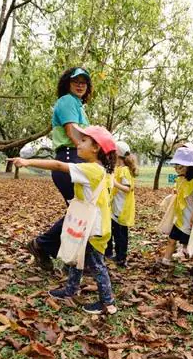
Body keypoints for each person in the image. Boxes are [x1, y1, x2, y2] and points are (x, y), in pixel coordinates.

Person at [12, 125, 118, 315]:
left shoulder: (91, 170)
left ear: (96, 148)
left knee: (97, 265)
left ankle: (107, 303)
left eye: (84, 141)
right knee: (78, 258)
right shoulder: (104, 170)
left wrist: (27, 162)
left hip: (93, 228)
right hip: (91, 223)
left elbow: (59, 166)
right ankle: (70, 289)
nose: (78, 143)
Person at [27, 67, 92, 272]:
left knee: (80, 211)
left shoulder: (78, 104)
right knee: (81, 211)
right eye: (76, 81)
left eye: (84, 82)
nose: (81, 85)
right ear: (67, 83)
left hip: (76, 158)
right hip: (69, 157)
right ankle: (44, 246)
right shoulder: (66, 101)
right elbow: (73, 133)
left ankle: (65, 256)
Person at [159, 147, 193, 267]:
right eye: (175, 166)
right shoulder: (180, 180)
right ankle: (165, 261)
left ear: (190, 167)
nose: (177, 169)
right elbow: (177, 196)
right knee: (171, 240)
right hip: (179, 219)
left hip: (189, 221)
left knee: (191, 246)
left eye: (180, 167)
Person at [105, 141, 137, 268]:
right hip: (115, 206)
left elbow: (127, 188)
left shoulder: (124, 170)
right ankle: (115, 255)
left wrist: (113, 183)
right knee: (114, 232)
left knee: (121, 234)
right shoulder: (118, 169)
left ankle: (121, 258)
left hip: (122, 208)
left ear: (117, 154)